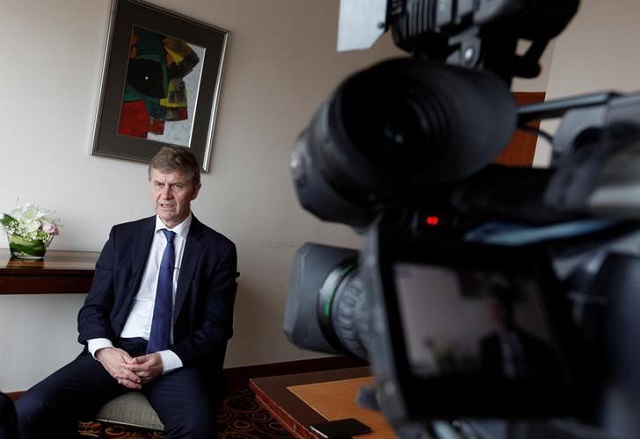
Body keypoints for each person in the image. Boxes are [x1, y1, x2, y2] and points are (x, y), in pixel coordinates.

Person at [16, 146, 238, 438]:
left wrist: (165, 360)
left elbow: (216, 327)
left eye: (177, 185)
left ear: (195, 190)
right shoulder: (123, 237)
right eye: (159, 184)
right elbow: (94, 307)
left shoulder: (218, 249)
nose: (166, 195)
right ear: (151, 185)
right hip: (117, 349)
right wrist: (104, 350)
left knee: (197, 429)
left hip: (175, 358)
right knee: (32, 408)